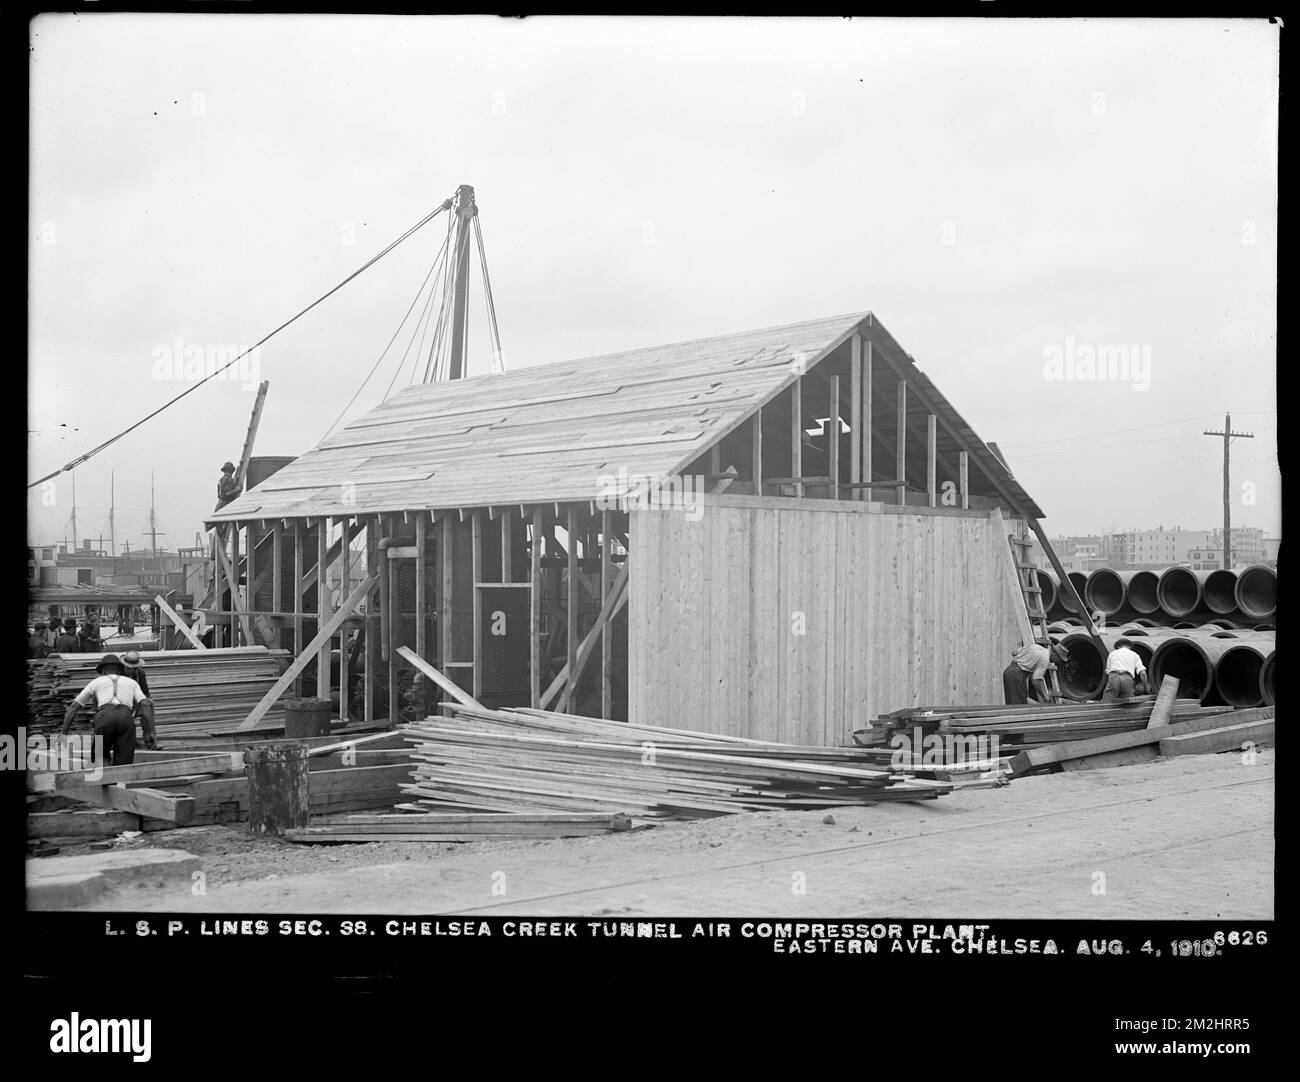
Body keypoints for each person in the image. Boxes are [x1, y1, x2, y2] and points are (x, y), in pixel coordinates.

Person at [61, 654, 147, 766]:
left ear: (102, 671)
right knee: (124, 760)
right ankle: (121, 775)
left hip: (104, 718)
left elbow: (73, 707)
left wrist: (63, 734)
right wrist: (150, 731)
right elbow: (145, 704)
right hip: (126, 718)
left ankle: (105, 774)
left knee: (100, 755)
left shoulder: (96, 682)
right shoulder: (132, 683)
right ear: (120, 670)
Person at [121, 651, 162, 750]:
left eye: (134, 668)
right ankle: (125, 741)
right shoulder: (117, 676)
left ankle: (150, 740)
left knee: (148, 706)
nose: (132, 670)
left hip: (133, 703)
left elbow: (145, 693)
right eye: (129, 668)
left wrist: (148, 702)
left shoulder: (140, 674)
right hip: (119, 704)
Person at [1003, 640, 1055, 705]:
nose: (1055, 662)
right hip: (1016, 675)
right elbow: (1036, 680)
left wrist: (1028, 660)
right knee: (1018, 706)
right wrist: (1045, 697)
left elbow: (1014, 653)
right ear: (1054, 655)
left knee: (1012, 704)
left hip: (1008, 671)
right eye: (1058, 660)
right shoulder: (1045, 659)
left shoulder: (1035, 646)